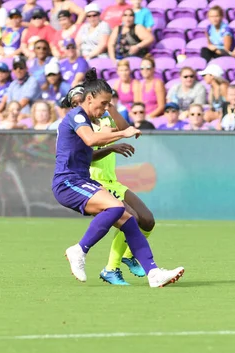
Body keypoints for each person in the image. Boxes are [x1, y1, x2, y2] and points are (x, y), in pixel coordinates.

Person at [54, 70, 184, 287]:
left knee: (128, 219)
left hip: (82, 181)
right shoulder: (77, 116)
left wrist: (111, 147)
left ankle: (153, 274)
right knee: (115, 208)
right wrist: (122, 134)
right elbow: (91, 139)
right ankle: (79, 250)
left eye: (109, 104)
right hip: (68, 183)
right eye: (103, 104)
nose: (106, 109)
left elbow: (91, 154)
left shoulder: (86, 119)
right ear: (88, 99)